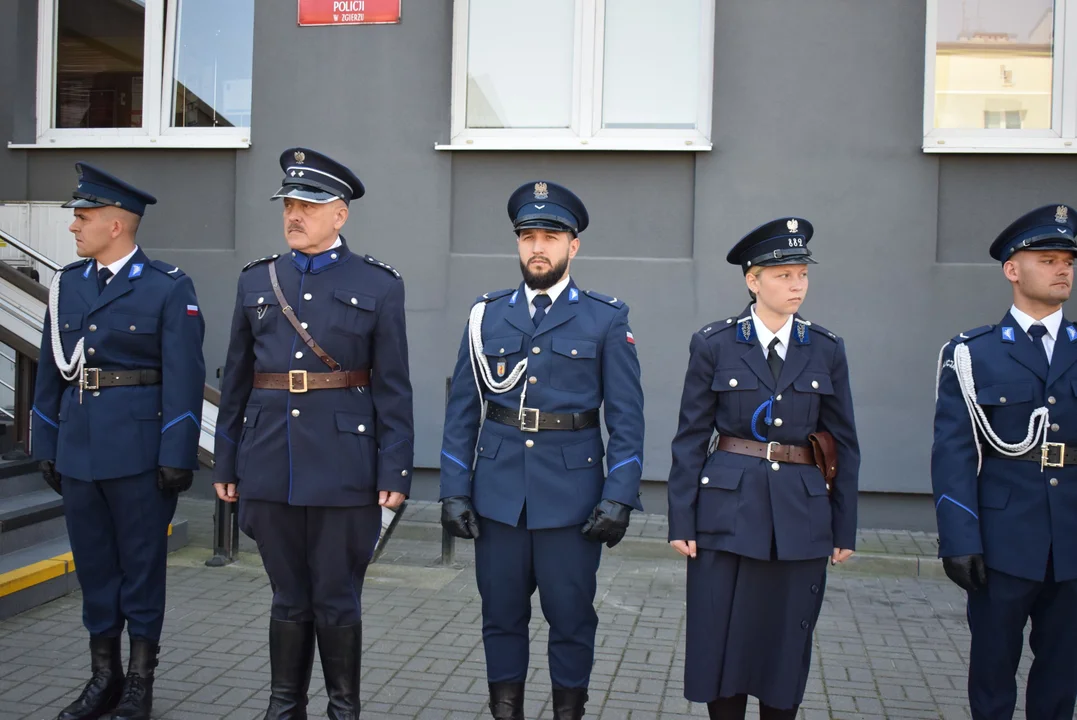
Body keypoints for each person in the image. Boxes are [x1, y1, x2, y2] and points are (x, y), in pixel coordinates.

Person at [213, 147, 414, 719]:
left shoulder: (378, 284)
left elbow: (393, 386)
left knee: (336, 594)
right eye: (289, 205)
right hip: (270, 460)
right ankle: (284, 706)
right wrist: (227, 462)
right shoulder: (258, 280)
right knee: (287, 594)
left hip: (345, 468)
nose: (294, 215)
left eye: (308, 205)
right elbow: (238, 380)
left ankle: (342, 708)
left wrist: (395, 468)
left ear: (340, 214)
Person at [438, 181, 645, 720]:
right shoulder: (487, 315)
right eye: (527, 236)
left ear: (573, 246)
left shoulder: (605, 317)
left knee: (572, 619)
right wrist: (453, 489)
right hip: (499, 495)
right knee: (500, 617)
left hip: (573, 501)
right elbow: (464, 407)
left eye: (550, 236)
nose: (537, 247)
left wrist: (619, 495)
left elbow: (626, 418)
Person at [31, 162, 206, 720]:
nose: (73, 227)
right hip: (80, 449)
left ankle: (139, 682)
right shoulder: (68, 285)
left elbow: (183, 377)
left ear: (117, 224)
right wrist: (47, 443)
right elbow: (49, 372)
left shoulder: (166, 287)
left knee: (141, 567)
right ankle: (101, 678)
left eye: (83, 217)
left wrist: (177, 454)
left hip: (138, 453)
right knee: (95, 567)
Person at [666, 217, 859, 720]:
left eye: (802, 275)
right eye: (783, 275)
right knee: (721, 640)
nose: (797, 285)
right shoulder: (715, 343)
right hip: (726, 512)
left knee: (785, 644)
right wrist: (681, 520)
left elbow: (844, 444)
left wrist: (846, 526)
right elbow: (690, 437)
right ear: (753, 280)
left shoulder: (826, 347)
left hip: (801, 514)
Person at [932, 204, 1077, 720]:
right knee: (992, 677)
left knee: (1062, 680)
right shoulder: (975, 353)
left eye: (1068, 260)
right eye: (1048, 258)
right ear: (1012, 270)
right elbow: (953, 453)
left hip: (1072, 542)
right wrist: (960, 538)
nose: (1063, 269)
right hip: (1002, 542)